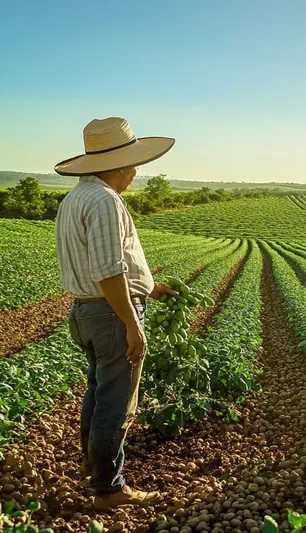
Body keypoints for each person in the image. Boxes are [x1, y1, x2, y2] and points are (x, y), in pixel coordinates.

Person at [54, 117, 177, 509]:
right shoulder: (106, 202)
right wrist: (131, 324)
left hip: (86, 313)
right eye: (133, 165)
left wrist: (151, 287)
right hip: (110, 315)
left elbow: (107, 263)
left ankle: (93, 467)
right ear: (120, 164)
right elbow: (109, 271)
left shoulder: (76, 197)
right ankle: (109, 488)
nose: (136, 173)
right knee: (117, 400)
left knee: (98, 390)